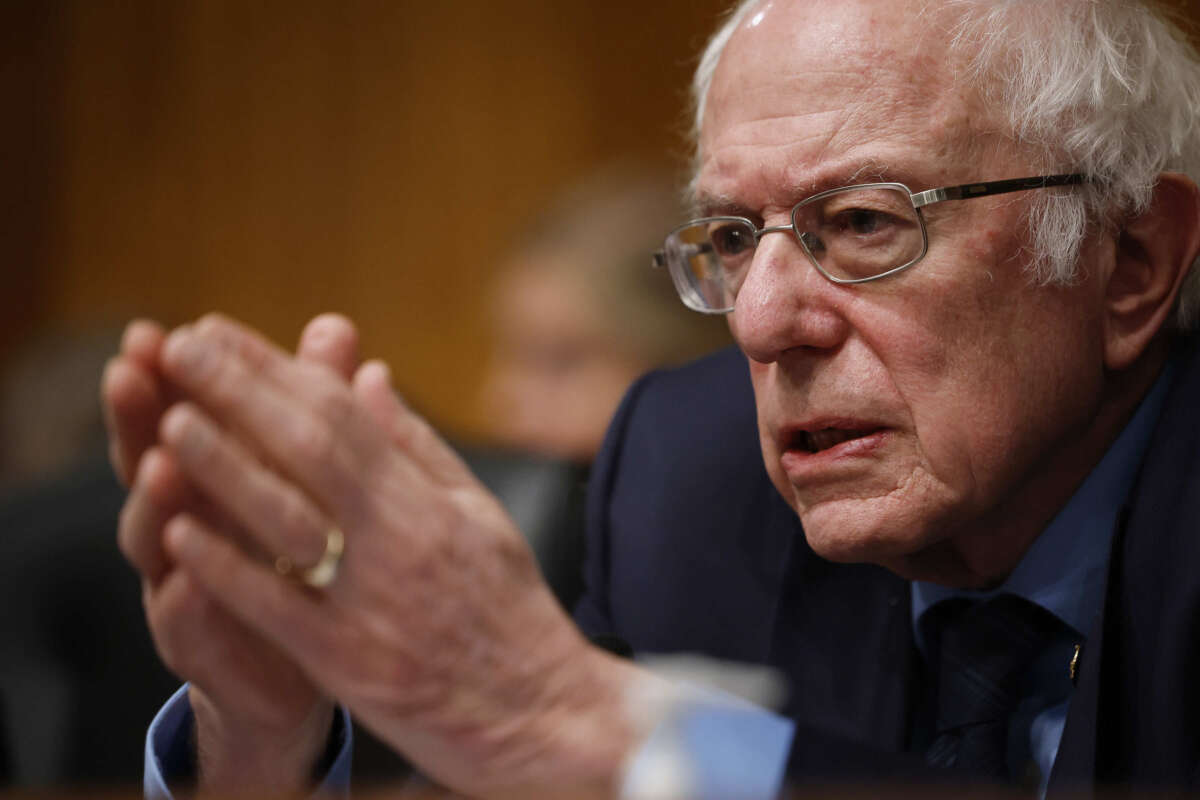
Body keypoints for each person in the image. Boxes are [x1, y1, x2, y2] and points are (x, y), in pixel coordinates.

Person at [102, 0, 1200, 797]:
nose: (763, 322)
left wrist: (591, 728)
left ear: (1134, 260)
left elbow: (580, 744)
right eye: (732, 237)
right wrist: (261, 744)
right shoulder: (688, 485)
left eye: (866, 221)